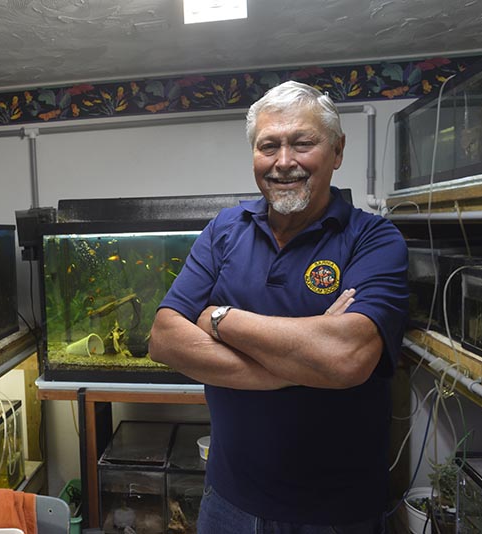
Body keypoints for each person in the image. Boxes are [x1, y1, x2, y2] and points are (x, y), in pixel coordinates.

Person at [149, 81, 408, 533]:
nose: (284, 161)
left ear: (337, 151)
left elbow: (346, 357)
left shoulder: (374, 238)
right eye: (268, 146)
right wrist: (303, 363)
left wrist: (219, 318)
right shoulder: (224, 229)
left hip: (336, 513)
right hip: (227, 501)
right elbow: (164, 339)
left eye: (302, 143)